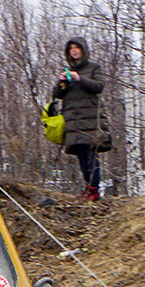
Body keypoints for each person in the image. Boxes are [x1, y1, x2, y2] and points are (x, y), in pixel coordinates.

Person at [52, 38, 108, 200]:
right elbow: (58, 95)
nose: (74, 51)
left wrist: (79, 78)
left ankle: (95, 189)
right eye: (71, 48)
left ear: (83, 50)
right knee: (81, 154)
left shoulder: (93, 68)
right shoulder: (68, 70)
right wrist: (62, 83)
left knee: (91, 154)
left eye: (77, 48)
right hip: (73, 119)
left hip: (90, 118)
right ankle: (88, 188)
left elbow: (99, 86)